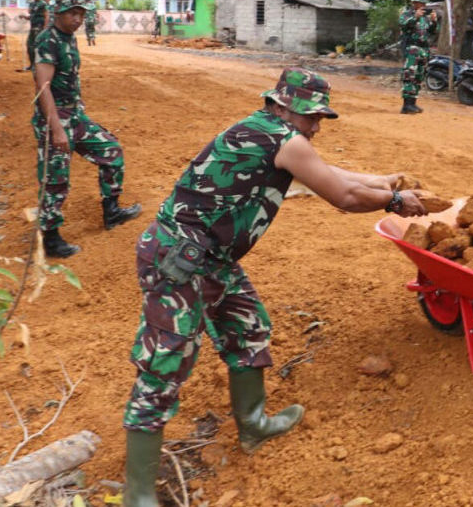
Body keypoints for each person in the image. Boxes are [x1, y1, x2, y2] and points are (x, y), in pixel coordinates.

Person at [121, 68, 427, 506]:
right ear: (283, 106)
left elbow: (328, 172)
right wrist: (394, 202)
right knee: (164, 364)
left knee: (248, 329)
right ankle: (138, 495)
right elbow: (343, 197)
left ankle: (253, 426)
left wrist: (383, 180)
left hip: (211, 260)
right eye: (312, 117)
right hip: (179, 261)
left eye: (321, 117)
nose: (317, 126)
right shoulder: (283, 139)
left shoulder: (271, 133)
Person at [32, 0, 141, 258]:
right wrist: (56, 128)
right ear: (59, 11)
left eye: (81, 13)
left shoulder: (69, 38)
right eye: (73, 12)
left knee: (110, 150)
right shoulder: (48, 40)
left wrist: (78, 109)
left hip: (74, 115)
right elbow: (42, 87)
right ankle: (52, 238)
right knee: (56, 178)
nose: (78, 18)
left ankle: (112, 211)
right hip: (54, 118)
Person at [398, 0, 438, 114]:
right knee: (409, 75)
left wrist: (434, 22)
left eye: (423, 3)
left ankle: (413, 103)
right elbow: (403, 25)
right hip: (412, 48)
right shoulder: (407, 15)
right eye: (420, 3)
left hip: (423, 50)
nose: (422, 5)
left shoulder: (425, 18)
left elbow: (431, 32)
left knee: (418, 76)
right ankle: (406, 105)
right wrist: (415, 17)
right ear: (414, 3)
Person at [19, 0, 49, 71]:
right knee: (29, 46)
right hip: (32, 27)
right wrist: (23, 16)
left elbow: (46, 16)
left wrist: (45, 28)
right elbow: (31, 16)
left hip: (39, 28)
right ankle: (32, 64)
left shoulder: (43, 4)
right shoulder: (32, 4)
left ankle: (38, 66)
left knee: (37, 47)